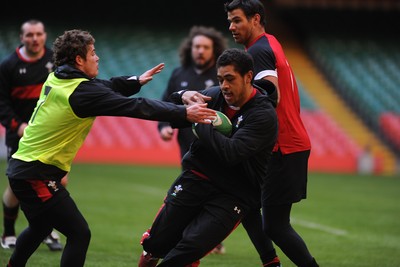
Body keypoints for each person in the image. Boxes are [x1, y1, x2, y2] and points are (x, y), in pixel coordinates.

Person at [5, 29, 216, 267]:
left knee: (40, 226)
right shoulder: (82, 92)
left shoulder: (59, 77)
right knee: (79, 233)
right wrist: (183, 113)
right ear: (79, 60)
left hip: (25, 167)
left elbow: (106, 86)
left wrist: (136, 81)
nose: (98, 58)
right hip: (36, 173)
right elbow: (135, 107)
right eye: (93, 53)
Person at [138, 48, 278, 267]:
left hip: (234, 194)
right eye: (221, 79)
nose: (224, 86)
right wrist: (181, 96)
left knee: (189, 249)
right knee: (153, 247)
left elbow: (231, 153)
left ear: (248, 76)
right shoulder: (214, 97)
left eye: (230, 79)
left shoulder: (263, 115)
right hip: (196, 177)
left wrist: (199, 122)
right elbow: (172, 111)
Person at [225, 1, 319, 266]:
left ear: (255, 19)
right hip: (282, 144)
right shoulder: (270, 42)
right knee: (244, 200)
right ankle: (270, 262)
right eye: (230, 21)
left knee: (275, 226)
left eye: (237, 20)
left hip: (282, 147)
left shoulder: (259, 50)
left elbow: (271, 92)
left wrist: (233, 103)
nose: (231, 27)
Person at [157, 25, 228, 255]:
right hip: (186, 143)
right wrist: (164, 125)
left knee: (213, 190)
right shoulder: (179, 73)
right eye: (197, 46)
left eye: (206, 47)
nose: (200, 51)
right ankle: (201, 236)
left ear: (214, 50)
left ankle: (209, 236)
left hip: (214, 143)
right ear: (190, 48)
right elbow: (167, 102)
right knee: (192, 189)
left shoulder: (221, 76)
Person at [0, 19, 64, 251]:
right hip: (20, 134)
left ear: (45, 36)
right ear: (21, 37)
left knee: (58, 181)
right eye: (29, 35)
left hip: (48, 135)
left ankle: (47, 229)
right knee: (18, 186)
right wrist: (18, 125)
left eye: (38, 34)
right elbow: (2, 103)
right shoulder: (8, 66)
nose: (34, 39)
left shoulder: (54, 61)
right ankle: (8, 232)